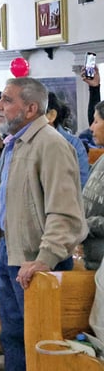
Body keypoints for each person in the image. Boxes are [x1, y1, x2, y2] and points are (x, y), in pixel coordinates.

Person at [0, 77, 87, 371]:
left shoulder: (51, 144)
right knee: (12, 337)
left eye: (7, 100)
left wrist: (45, 258)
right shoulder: (16, 143)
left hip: (36, 261)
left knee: (36, 339)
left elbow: (65, 211)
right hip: (10, 250)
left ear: (31, 108)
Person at [81, 101, 104, 270]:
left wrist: (86, 224)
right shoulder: (101, 159)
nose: (91, 127)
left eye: (96, 121)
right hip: (93, 263)